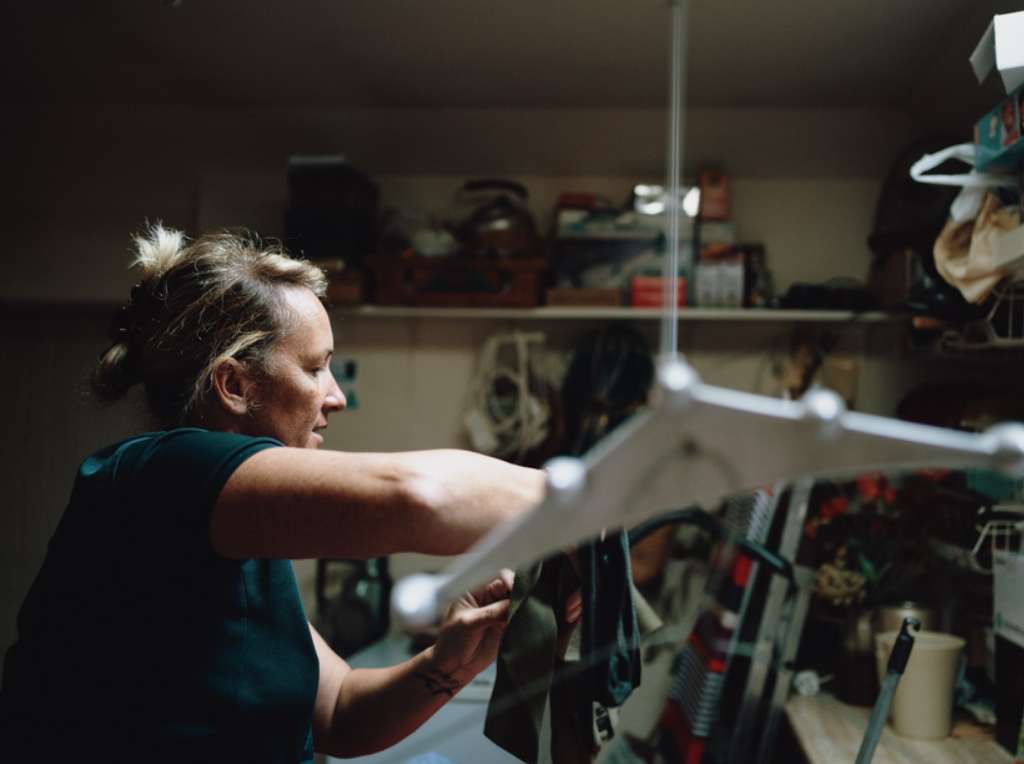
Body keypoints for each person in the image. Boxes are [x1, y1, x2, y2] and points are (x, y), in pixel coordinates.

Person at [0, 225, 566, 762]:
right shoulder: (158, 475)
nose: (336, 396)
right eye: (317, 368)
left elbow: (342, 714)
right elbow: (418, 498)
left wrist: (451, 662)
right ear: (235, 385)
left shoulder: (240, 534)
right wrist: (589, 499)